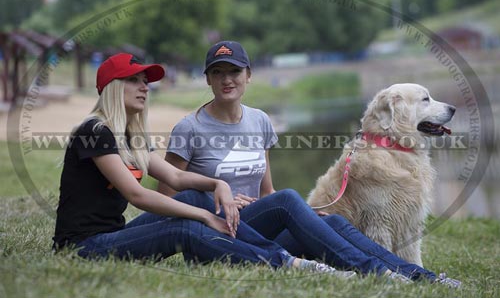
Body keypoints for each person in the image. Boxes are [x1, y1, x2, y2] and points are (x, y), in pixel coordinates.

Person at [159, 41, 461, 288]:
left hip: (257, 228)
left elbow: (267, 193)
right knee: (291, 199)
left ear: (248, 75)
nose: (227, 79)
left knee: (333, 221)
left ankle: (420, 277)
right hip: (216, 235)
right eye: (218, 72)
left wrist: (304, 218)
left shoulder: (259, 121)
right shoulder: (190, 128)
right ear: (207, 78)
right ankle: (381, 273)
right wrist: (215, 203)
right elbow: (167, 201)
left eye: (234, 71)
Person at [52, 52, 360, 277]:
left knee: (196, 197)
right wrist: (204, 215)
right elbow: (138, 196)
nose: (145, 87)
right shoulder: (94, 132)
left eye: (145, 81)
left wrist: (216, 185)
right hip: (83, 246)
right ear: (113, 87)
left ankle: (284, 253)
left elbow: (174, 175)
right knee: (188, 227)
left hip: (114, 234)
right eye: (134, 81)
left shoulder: (131, 137)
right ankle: (286, 261)